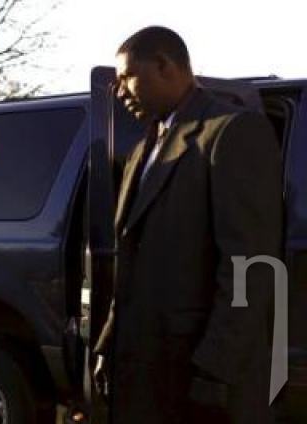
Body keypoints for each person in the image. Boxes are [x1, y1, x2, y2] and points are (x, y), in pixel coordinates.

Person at [92, 26, 283, 424]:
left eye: (127, 77)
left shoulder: (232, 132)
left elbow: (249, 266)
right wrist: (109, 343)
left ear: (164, 65)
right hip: (143, 372)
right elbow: (131, 262)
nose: (119, 91)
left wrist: (217, 368)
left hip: (197, 378)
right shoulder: (143, 150)